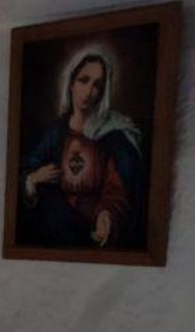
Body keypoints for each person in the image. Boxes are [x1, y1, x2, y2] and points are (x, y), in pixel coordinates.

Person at [18, 49, 145, 248]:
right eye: (83, 80)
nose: (88, 91)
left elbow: (117, 190)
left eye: (97, 85)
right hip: (55, 233)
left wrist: (107, 216)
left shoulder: (113, 135)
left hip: (91, 231)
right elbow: (25, 173)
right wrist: (33, 179)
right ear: (71, 83)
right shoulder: (54, 133)